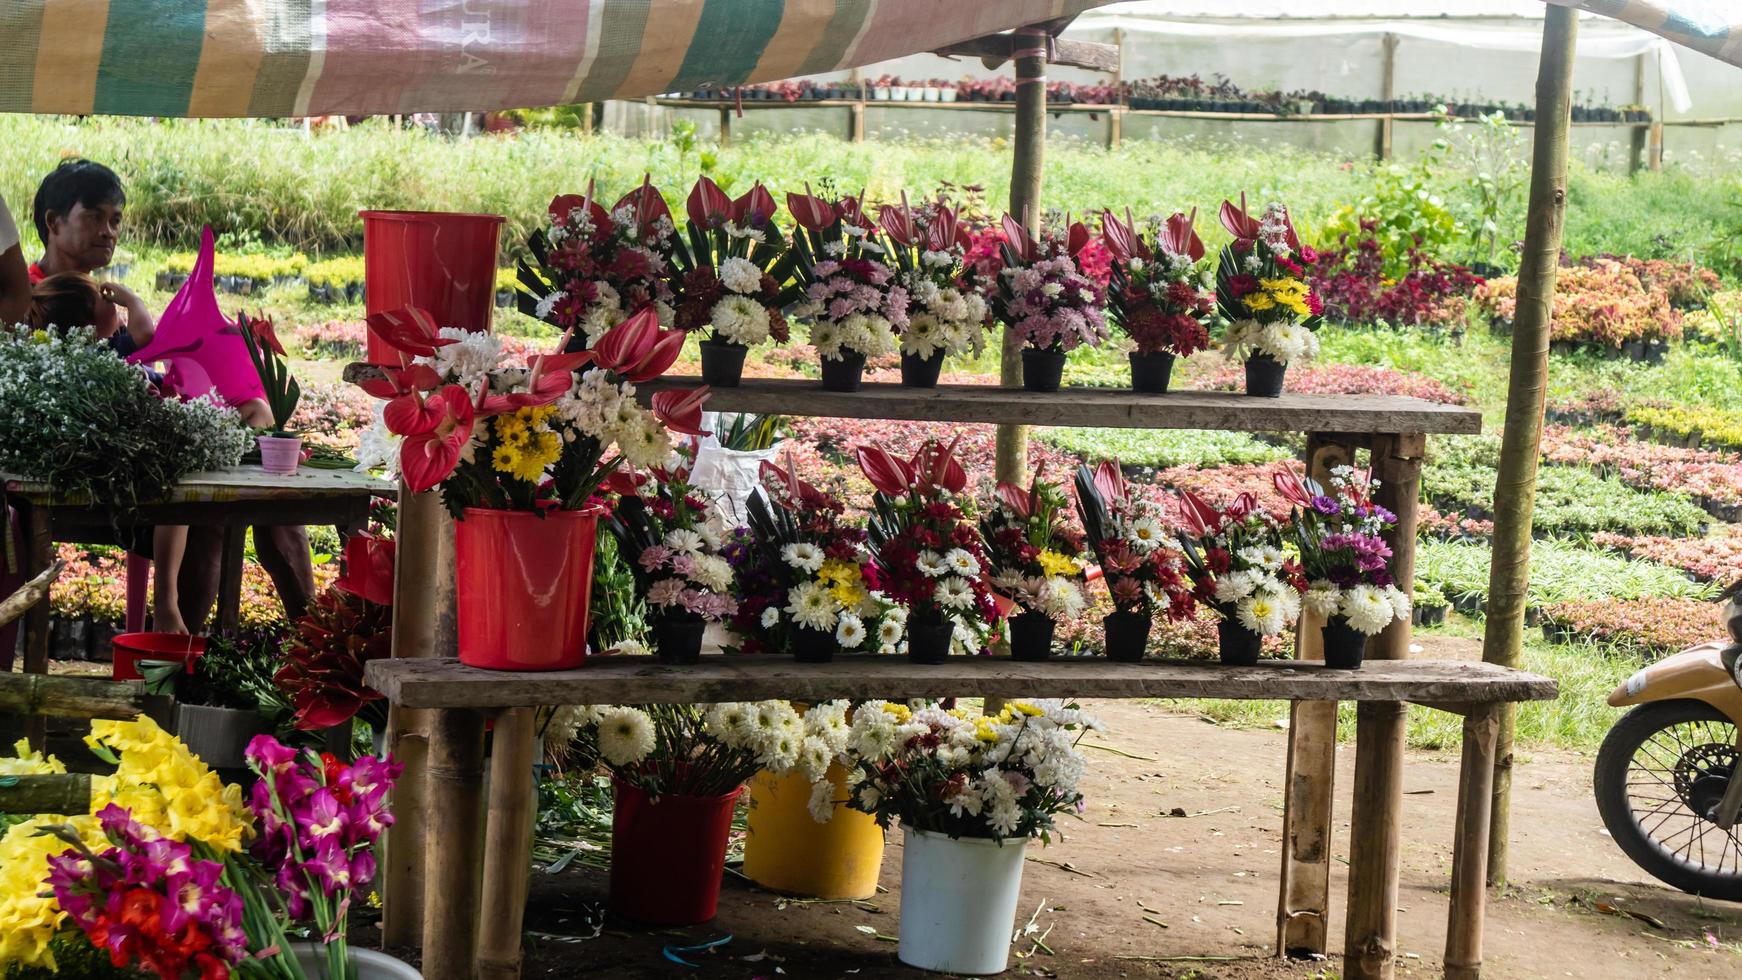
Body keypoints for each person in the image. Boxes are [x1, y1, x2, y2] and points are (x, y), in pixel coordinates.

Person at [30, 160, 317, 632]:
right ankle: (179, 663)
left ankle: (318, 654)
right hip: (93, 470)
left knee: (276, 500)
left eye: (116, 219)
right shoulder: (28, 293)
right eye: (96, 216)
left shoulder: (107, 299)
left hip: (151, 454)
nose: (109, 231)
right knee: (206, 511)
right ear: (54, 221)